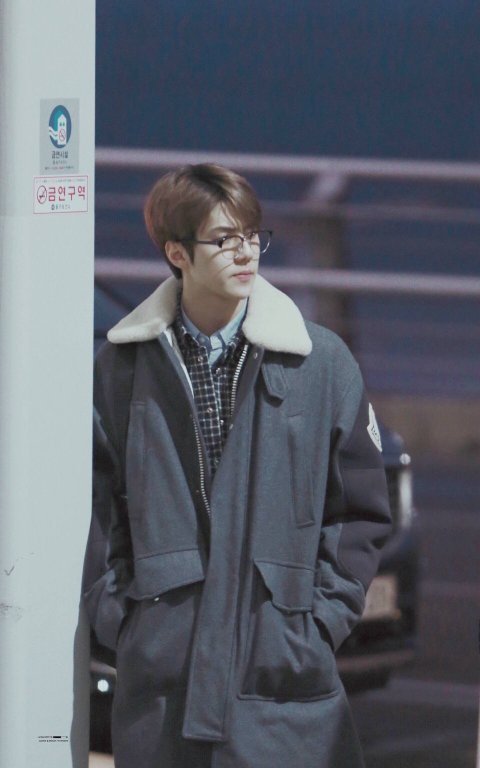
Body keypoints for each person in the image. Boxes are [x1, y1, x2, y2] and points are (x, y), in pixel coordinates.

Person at [82, 163, 392, 768]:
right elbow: (95, 509)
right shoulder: (123, 369)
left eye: (252, 235)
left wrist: (321, 622)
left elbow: (359, 510)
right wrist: (123, 620)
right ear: (177, 252)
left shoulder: (320, 363)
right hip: (165, 682)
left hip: (283, 680)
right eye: (223, 240)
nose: (246, 252)